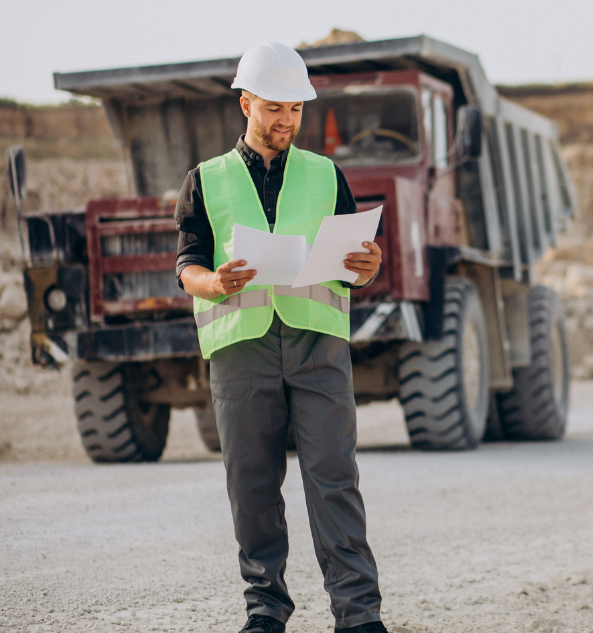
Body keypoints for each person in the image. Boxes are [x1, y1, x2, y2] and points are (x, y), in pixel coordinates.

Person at [174, 42, 387, 633]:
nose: (286, 120)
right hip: (241, 349)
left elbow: (355, 262)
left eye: (295, 109)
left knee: (333, 478)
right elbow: (187, 262)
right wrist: (212, 281)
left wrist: (367, 267)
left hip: (318, 344)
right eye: (274, 108)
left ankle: (359, 616)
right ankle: (265, 611)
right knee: (252, 484)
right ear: (246, 105)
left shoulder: (327, 175)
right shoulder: (205, 181)